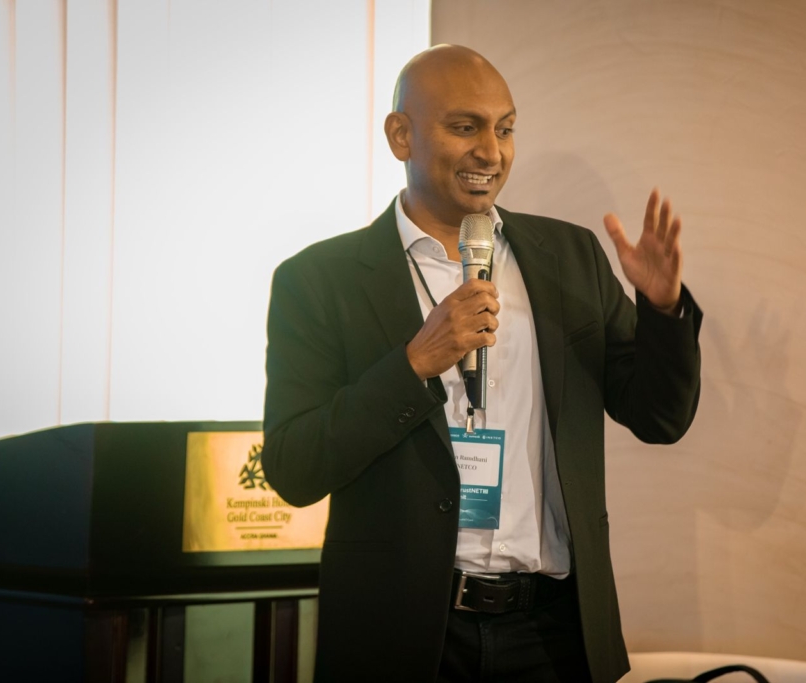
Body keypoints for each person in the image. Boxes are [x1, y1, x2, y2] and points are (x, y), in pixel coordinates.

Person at [261, 44, 702, 683]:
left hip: (553, 633)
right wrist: (414, 364)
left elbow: (660, 417)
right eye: (465, 127)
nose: (491, 152)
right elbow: (294, 468)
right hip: (404, 635)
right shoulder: (319, 280)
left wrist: (662, 311)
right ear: (401, 135)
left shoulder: (570, 257)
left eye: (505, 129)